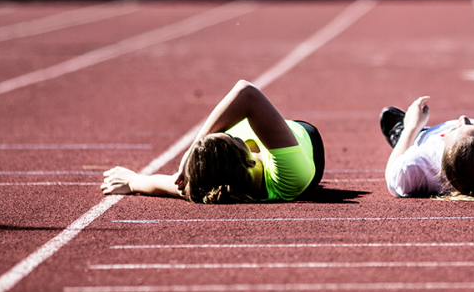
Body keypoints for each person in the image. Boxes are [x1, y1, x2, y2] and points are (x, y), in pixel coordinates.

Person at [101, 80, 324, 202]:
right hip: (302, 136)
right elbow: (246, 92)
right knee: (242, 111)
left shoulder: (203, 184)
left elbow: (161, 183)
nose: (236, 135)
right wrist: (190, 152)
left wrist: (132, 181)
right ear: (248, 161)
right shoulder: (289, 177)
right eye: (234, 138)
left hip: (235, 160)